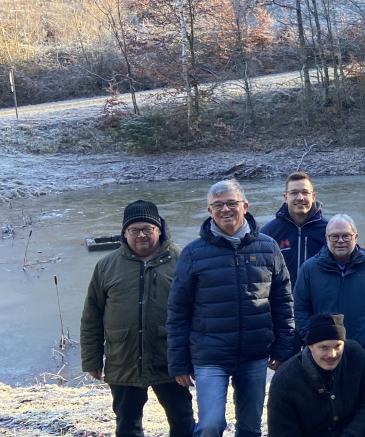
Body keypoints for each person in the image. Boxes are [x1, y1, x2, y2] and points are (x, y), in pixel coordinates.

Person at [167, 179, 296, 437]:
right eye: (218, 205)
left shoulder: (268, 247)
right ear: (209, 211)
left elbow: (283, 302)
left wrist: (284, 348)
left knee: (250, 427)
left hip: (255, 352)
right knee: (210, 425)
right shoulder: (193, 253)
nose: (225, 209)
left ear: (245, 206)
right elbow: (177, 311)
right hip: (209, 354)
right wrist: (179, 362)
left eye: (231, 203)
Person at [80, 200, 195, 437]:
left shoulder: (182, 260)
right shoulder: (106, 266)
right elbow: (92, 316)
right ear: (124, 233)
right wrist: (91, 359)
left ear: (159, 230)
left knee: (183, 421)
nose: (141, 235)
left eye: (147, 229)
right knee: (127, 425)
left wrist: (192, 359)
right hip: (123, 361)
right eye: (134, 230)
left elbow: (198, 314)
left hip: (170, 361)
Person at [267, 313, 365, 437]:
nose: (332, 354)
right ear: (310, 346)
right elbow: (281, 432)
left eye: (337, 346)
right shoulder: (285, 378)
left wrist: (352, 433)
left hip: (353, 432)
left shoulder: (354, 353)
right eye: (324, 347)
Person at [293, 214, 365, 369]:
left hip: (363, 350)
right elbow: (301, 308)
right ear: (326, 238)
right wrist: (311, 338)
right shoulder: (309, 268)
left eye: (346, 236)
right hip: (323, 353)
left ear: (356, 237)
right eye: (334, 236)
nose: (340, 241)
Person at [261, 171, 328, 283]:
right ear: (285, 197)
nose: (300, 197)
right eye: (294, 193)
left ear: (313, 196)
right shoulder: (268, 233)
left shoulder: (329, 231)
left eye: (305, 192)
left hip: (320, 294)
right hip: (283, 294)